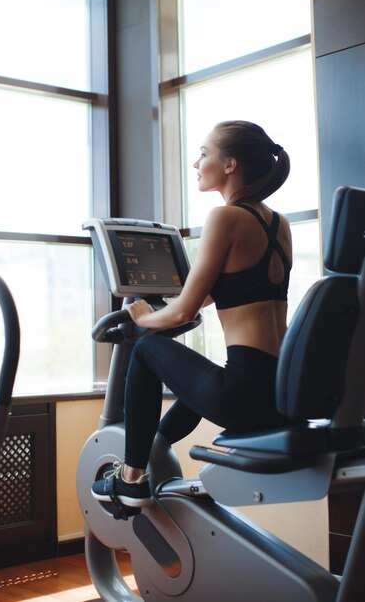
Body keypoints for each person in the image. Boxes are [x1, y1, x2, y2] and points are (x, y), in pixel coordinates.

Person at [92, 120, 293, 509]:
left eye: (204, 153)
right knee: (204, 372)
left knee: (147, 351)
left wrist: (142, 316)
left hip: (244, 399)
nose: (197, 163)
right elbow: (227, 291)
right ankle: (155, 444)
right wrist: (168, 312)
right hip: (279, 392)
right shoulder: (278, 223)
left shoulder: (225, 218)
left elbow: (184, 308)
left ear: (230, 164)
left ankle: (131, 477)